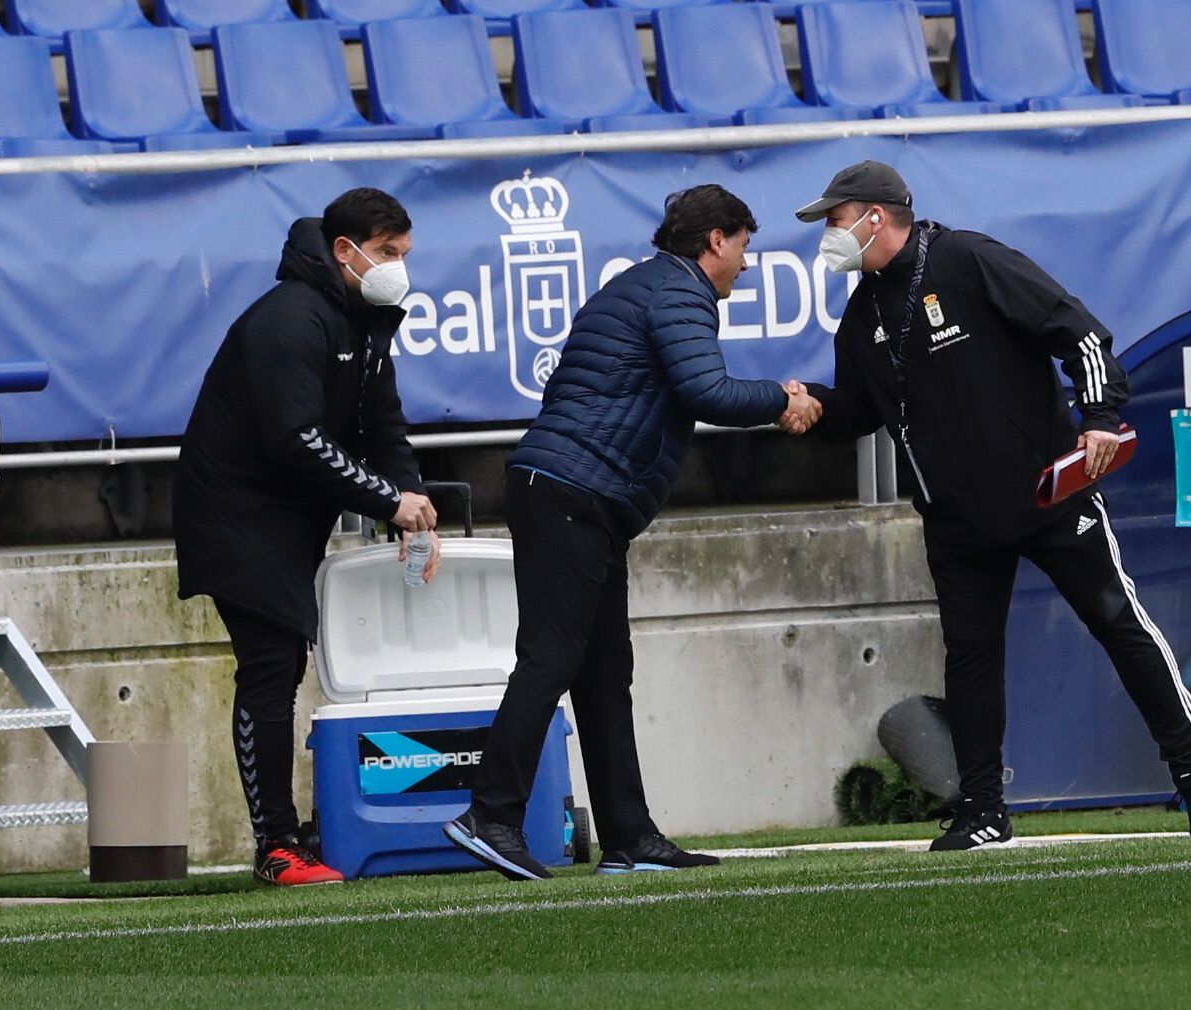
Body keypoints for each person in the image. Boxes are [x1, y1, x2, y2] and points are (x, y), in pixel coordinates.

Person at [794, 160, 1191, 851]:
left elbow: (1079, 332)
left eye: (835, 219)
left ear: (876, 216)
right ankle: (984, 809)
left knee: (1119, 624)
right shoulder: (862, 313)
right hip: (956, 519)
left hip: (1047, 494)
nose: (827, 233)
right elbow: (858, 409)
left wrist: (1099, 416)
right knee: (969, 659)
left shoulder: (969, 259)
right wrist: (811, 409)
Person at [444, 184, 821, 881]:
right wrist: (783, 399)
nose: (746, 262)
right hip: (572, 495)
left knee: (603, 672)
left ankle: (628, 836)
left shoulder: (646, 286)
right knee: (552, 658)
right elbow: (706, 391)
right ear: (715, 241)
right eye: (743, 246)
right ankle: (490, 815)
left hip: (579, 497)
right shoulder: (680, 294)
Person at [174, 188, 440, 886]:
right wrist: (390, 498)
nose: (398, 269)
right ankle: (276, 844)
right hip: (236, 515)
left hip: (288, 519)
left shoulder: (367, 318)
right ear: (344, 250)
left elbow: (384, 426)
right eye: (386, 254)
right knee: (270, 665)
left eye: (404, 255)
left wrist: (410, 506)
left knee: (282, 663)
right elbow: (296, 439)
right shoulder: (291, 319)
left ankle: (292, 837)